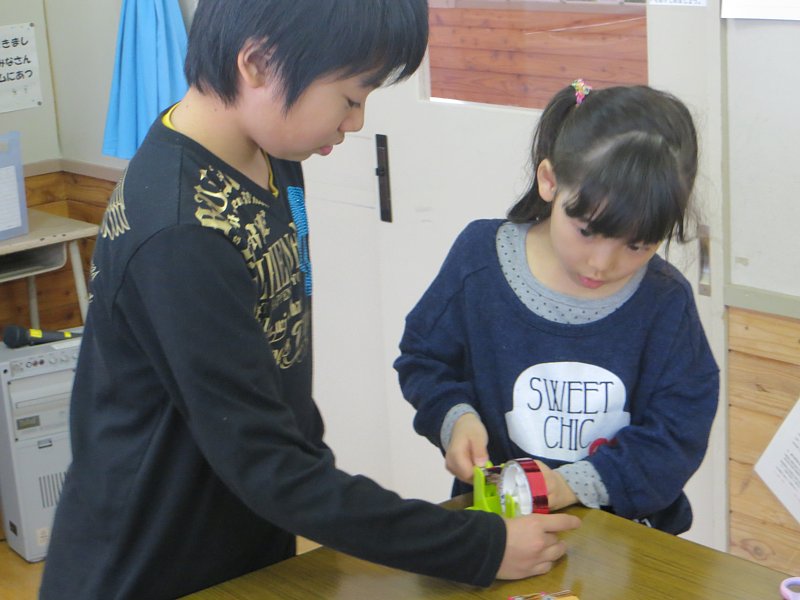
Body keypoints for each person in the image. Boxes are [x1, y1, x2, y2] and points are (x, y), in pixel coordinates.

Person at [38, 2, 580, 599]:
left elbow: (279, 387)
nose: (356, 122)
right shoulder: (181, 232)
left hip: (242, 542)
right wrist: (477, 546)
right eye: (349, 97)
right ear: (258, 64)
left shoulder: (270, 156)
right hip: (146, 566)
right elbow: (269, 466)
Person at [395, 80, 719, 535]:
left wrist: (570, 485)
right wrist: (456, 418)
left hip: (627, 537)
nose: (602, 264)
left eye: (637, 245)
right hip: (504, 529)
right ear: (549, 181)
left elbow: (677, 434)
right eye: (587, 231)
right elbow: (424, 360)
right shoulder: (480, 261)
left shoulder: (665, 301)